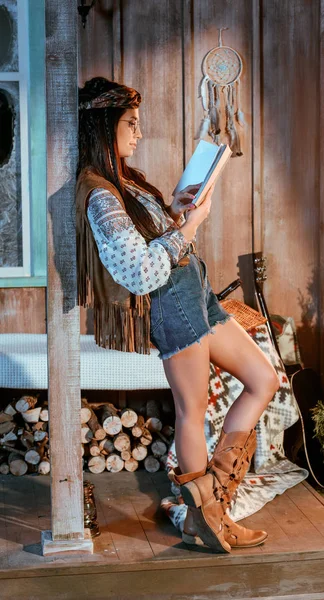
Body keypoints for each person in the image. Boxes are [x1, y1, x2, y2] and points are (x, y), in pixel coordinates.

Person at [76, 77, 280, 553]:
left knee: (263, 379)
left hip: (196, 292)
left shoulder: (121, 180)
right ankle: (209, 520)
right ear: (104, 127)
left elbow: (146, 240)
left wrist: (173, 209)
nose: (139, 133)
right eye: (131, 124)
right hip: (171, 299)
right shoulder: (99, 193)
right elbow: (140, 271)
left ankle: (210, 511)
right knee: (192, 414)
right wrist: (190, 225)